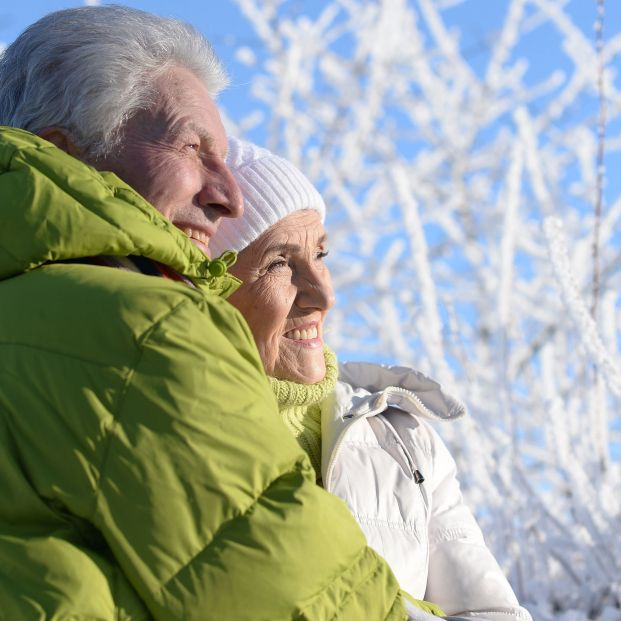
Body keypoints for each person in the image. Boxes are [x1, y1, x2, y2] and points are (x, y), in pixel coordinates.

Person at [0, 7, 408, 620]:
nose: (228, 196)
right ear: (66, 153)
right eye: (193, 148)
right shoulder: (146, 328)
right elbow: (298, 596)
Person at [208, 136, 534, 621]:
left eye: (321, 255)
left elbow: (491, 613)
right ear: (214, 290)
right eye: (279, 263)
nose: (321, 294)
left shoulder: (402, 437)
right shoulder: (182, 433)